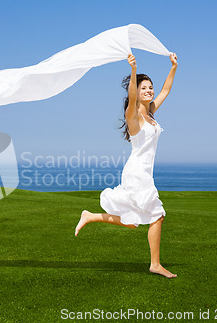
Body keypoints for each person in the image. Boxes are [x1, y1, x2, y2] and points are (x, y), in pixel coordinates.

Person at [75, 52, 178, 279]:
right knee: (157, 215)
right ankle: (155, 264)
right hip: (136, 174)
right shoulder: (133, 116)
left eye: (150, 87)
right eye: (144, 88)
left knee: (134, 222)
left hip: (143, 173)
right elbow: (132, 96)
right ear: (137, 92)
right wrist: (133, 70)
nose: (149, 90)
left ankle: (90, 216)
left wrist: (173, 67)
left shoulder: (150, 113)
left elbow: (166, 91)